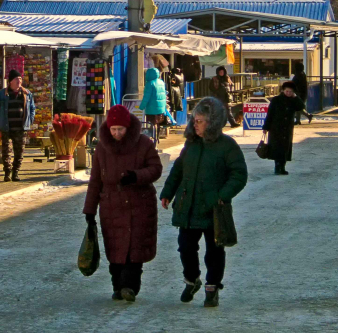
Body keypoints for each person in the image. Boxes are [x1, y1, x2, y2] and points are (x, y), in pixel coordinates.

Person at [160, 97, 248, 308]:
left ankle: (212, 287)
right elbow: (179, 169)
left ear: (213, 122)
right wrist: (168, 192)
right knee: (185, 248)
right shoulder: (191, 144)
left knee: (214, 251)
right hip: (188, 206)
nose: (195, 124)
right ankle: (192, 280)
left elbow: (239, 174)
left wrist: (221, 196)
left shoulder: (227, 146)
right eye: (194, 120)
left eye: (200, 120)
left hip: (214, 209)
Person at [83, 105, 162, 302]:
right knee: (115, 249)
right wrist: (89, 210)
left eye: (121, 129)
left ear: (128, 127)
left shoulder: (143, 143)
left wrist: (136, 176)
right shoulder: (102, 147)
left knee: (134, 250)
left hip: (139, 205)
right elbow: (95, 181)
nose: (117, 133)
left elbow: (156, 168)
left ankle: (129, 287)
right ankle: (118, 287)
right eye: (113, 129)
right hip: (112, 205)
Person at [0, 69, 36, 182]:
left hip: (21, 128)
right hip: (7, 128)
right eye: (16, 79)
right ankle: (7, 173)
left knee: (19, 152)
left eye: (20, 79)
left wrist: (29, 120)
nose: (19, 81)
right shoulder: (2, 94)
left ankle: (15, 173)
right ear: (10, 81)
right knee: (6, 152)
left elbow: (32, 109)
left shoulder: (27, 94)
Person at [263, 81, 312, 175]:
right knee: (277, 147)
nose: (288, 93)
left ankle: (282, 166)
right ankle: (277, 166)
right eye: (286, 91)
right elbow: (270, 114)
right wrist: (266, 126)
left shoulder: (293, 100)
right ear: (283, 90)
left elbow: (301, 106)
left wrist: (296, 97)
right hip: (276, 128)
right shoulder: (276, 100)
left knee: (285, 148)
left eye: (290, 91)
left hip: (287, 128)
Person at [139, 67, 175, 142]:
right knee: (157, 123)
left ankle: (152, 139)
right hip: (161, 108)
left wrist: (141, 107)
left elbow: (146, 97)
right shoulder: (161, 82)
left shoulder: (149, 84)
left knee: (152, 124)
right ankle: (157, 138)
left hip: (151, 109)